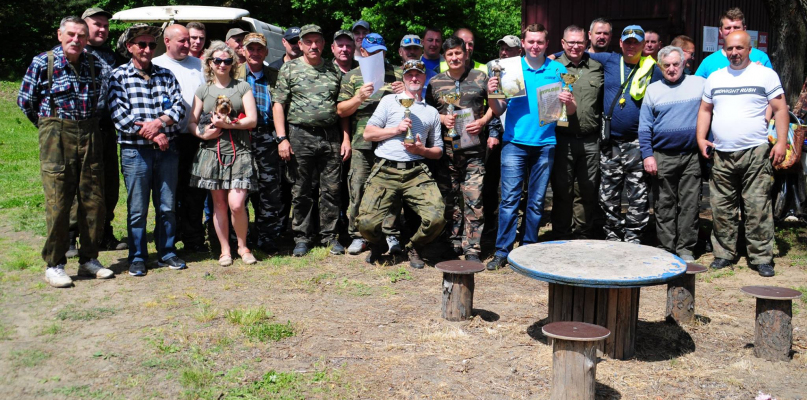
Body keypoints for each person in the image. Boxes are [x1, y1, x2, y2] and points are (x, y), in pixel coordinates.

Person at [18, 16, 115, 287]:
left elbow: (102, 101)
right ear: (60, 34)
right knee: (59, 202)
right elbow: (26, 101)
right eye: (71, 34)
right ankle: (55, 263)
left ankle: (89, 259)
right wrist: (49, 126)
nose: (76, 40)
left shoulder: (95, 64)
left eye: (81, 36)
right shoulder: (43, 63)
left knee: (94, 200)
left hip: (90, 133)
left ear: (86, 39)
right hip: (55, 137)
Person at [696, 31, 788, 277]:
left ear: (750, 49)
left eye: (739, 48)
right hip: (722, 153)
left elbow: (780, 109)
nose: (734, 53)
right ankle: (724, 253)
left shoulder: (765, 75)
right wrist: (701, 137)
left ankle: (761, 258)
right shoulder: (715, 78)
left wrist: (780, 143)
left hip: (756, 152)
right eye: (730, 49)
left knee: (757, 206)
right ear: (724, 50)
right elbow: (705, 109)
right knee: (722, 207)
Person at [485, 23, 574, 270]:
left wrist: (569, 101)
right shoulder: (510, 68)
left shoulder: (557, 70)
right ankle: (502, 251)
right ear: (523, 43)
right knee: (510, 200)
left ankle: (528, 251)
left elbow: (570, 111)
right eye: (530, 42)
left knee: (535, 202)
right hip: (514, 143)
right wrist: (492, 94)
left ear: (547, 44)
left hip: (545, 143)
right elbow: (499, 110)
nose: (535, 46)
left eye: (540, 42)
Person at [107, 24, 187, 276]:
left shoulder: (166, 75)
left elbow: (179, 108)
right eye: (141, 44)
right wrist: (154, 133)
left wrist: (158, 123)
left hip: (167, 151)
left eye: (151, 45)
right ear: (129, 47)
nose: (147, 49)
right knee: (137, 208)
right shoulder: (118, 76)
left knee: (166, 205)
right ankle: (138, 256)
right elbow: (119, 116)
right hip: (135, 153)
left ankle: (167, 252)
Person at [358, 59, 446, 268]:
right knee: (365, 223)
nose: (414, 78)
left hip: (416, 171)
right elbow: (368, 133)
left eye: (418, 74)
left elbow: (438, 151)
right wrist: (396, 130)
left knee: (437, 218)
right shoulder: (390, 101)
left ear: (424, 78)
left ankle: (414, 247)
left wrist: (421, 150)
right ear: (403, 78)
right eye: (409, 75)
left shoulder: (431, 112)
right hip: (385, 169)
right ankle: (378, 245)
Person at [272, 24, 348, 257]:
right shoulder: (289, 69)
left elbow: (342, 109)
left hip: (330, 136)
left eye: (317, 41)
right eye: (308, 42)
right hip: (299, 135)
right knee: (301, 189)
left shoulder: (334, 71)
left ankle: (329, 236)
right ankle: (302, 237)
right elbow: (278, 105)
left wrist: (346, 139)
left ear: (324, 44)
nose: (313, 46)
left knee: (331, 189)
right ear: (301, 44)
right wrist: (282, 138)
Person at [589, 25, 663, 244]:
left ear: (643, 45)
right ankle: (612, 234)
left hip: (638, 143)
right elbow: (576, 53)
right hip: (610, 142)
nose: (631, 46)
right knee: (608, 194)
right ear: (621, 43)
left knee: (638, 194)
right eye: (627, 42)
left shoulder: (653, 69)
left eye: (636, 42)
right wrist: (552, 55)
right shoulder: (610, 60)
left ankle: (634, 236)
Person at [187, 41, 259, 266]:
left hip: (239, 151)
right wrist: (202, 134)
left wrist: (230, 126)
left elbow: (252, 119)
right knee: (218, 204)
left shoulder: (242, 87)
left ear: (233, 64)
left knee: (237, 204)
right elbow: (192, 121)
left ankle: (243, 247)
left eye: (227, 61)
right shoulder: (203, 90)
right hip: (211, 153)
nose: (222, 64)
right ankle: (225, 250)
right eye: (217, 60)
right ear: (210, 63)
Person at [338, 33, 403, 255]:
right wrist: (358, 98)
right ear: (363, 52)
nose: (377, 56)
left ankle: (390, 233)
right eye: (372, 52)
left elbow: (413, 105)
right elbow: (341, 111)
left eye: (381, 52)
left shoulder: (397, 73)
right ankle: (358, 235)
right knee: (358, 188)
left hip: (391, 141)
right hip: (361, 143)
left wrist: (403, 93)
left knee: (391, 190)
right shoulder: (352, 77)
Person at [426, 36, 489, 262]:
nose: (455, 57)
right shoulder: (435, 82)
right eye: (450, 54)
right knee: (448, 200)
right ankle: (452, 243)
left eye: (458, 53)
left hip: (474, 151)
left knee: (474, 199)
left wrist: (482, 122)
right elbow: (429, 112)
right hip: (445, 152)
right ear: (445, 57)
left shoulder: (481, 77)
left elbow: (495, 106)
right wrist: (443, 118)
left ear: (465, 53)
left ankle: (472, 248)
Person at [639, 46, 705, 262]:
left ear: (684, 63)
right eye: (666, 65)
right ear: (660, 66)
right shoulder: (653, 89)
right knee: (664, 204)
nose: (672, 68)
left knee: (690, 204)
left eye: (676, 64)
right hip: (662, 155)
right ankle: (666, 248)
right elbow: (644, 126)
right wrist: (647, 155)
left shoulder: (699, 84)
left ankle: (686, 248)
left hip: (690, 156)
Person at [153, 24, 207, 254]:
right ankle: (169, 240)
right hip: (168, 139)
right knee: (169, 194)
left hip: (197, 138)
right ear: (167, 41)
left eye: (189, 40)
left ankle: (194, 240)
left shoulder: (201, 65)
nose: (188, 45)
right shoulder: (157, 65)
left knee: (195, 192)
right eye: (182, 41)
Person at [549, 25, 604, 240]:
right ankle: (561, 235)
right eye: (570, 42)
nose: (575, 46)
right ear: (562, 43)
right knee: (562, 191)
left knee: (587, 191)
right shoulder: (552, 67)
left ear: (586, 43)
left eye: (579, 42)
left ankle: (582, 236)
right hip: (562, 139)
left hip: (590, 140)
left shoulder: (597, 67)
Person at [79, 7, 127, 252]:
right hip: (78, 130)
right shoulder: (73, 53)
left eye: (105, 26)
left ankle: (104, 233)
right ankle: (70, 237)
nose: (102, 29)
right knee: (77, 183)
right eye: (96, 24)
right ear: (83, 26)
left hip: (107, 130)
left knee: (108, 184)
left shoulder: (113, 57)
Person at [237, 33, 284, 255]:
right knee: (241, 188)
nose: (255, 53)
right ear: (243, 51)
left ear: (265, 52)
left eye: (259, 49)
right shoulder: (234, 73)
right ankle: (242, 238)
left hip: (268, 136)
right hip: (240, 137)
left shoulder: (276, 75)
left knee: (269, 189)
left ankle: (267, 238)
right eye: (251, 49)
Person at [695, 7, 772, 78]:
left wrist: (762, 74)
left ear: (744, 29)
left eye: (736, 27)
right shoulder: (708, 62)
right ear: (720, 31)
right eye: (728, 28)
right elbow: (697, 89)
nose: (732, 31)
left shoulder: (761, 57)